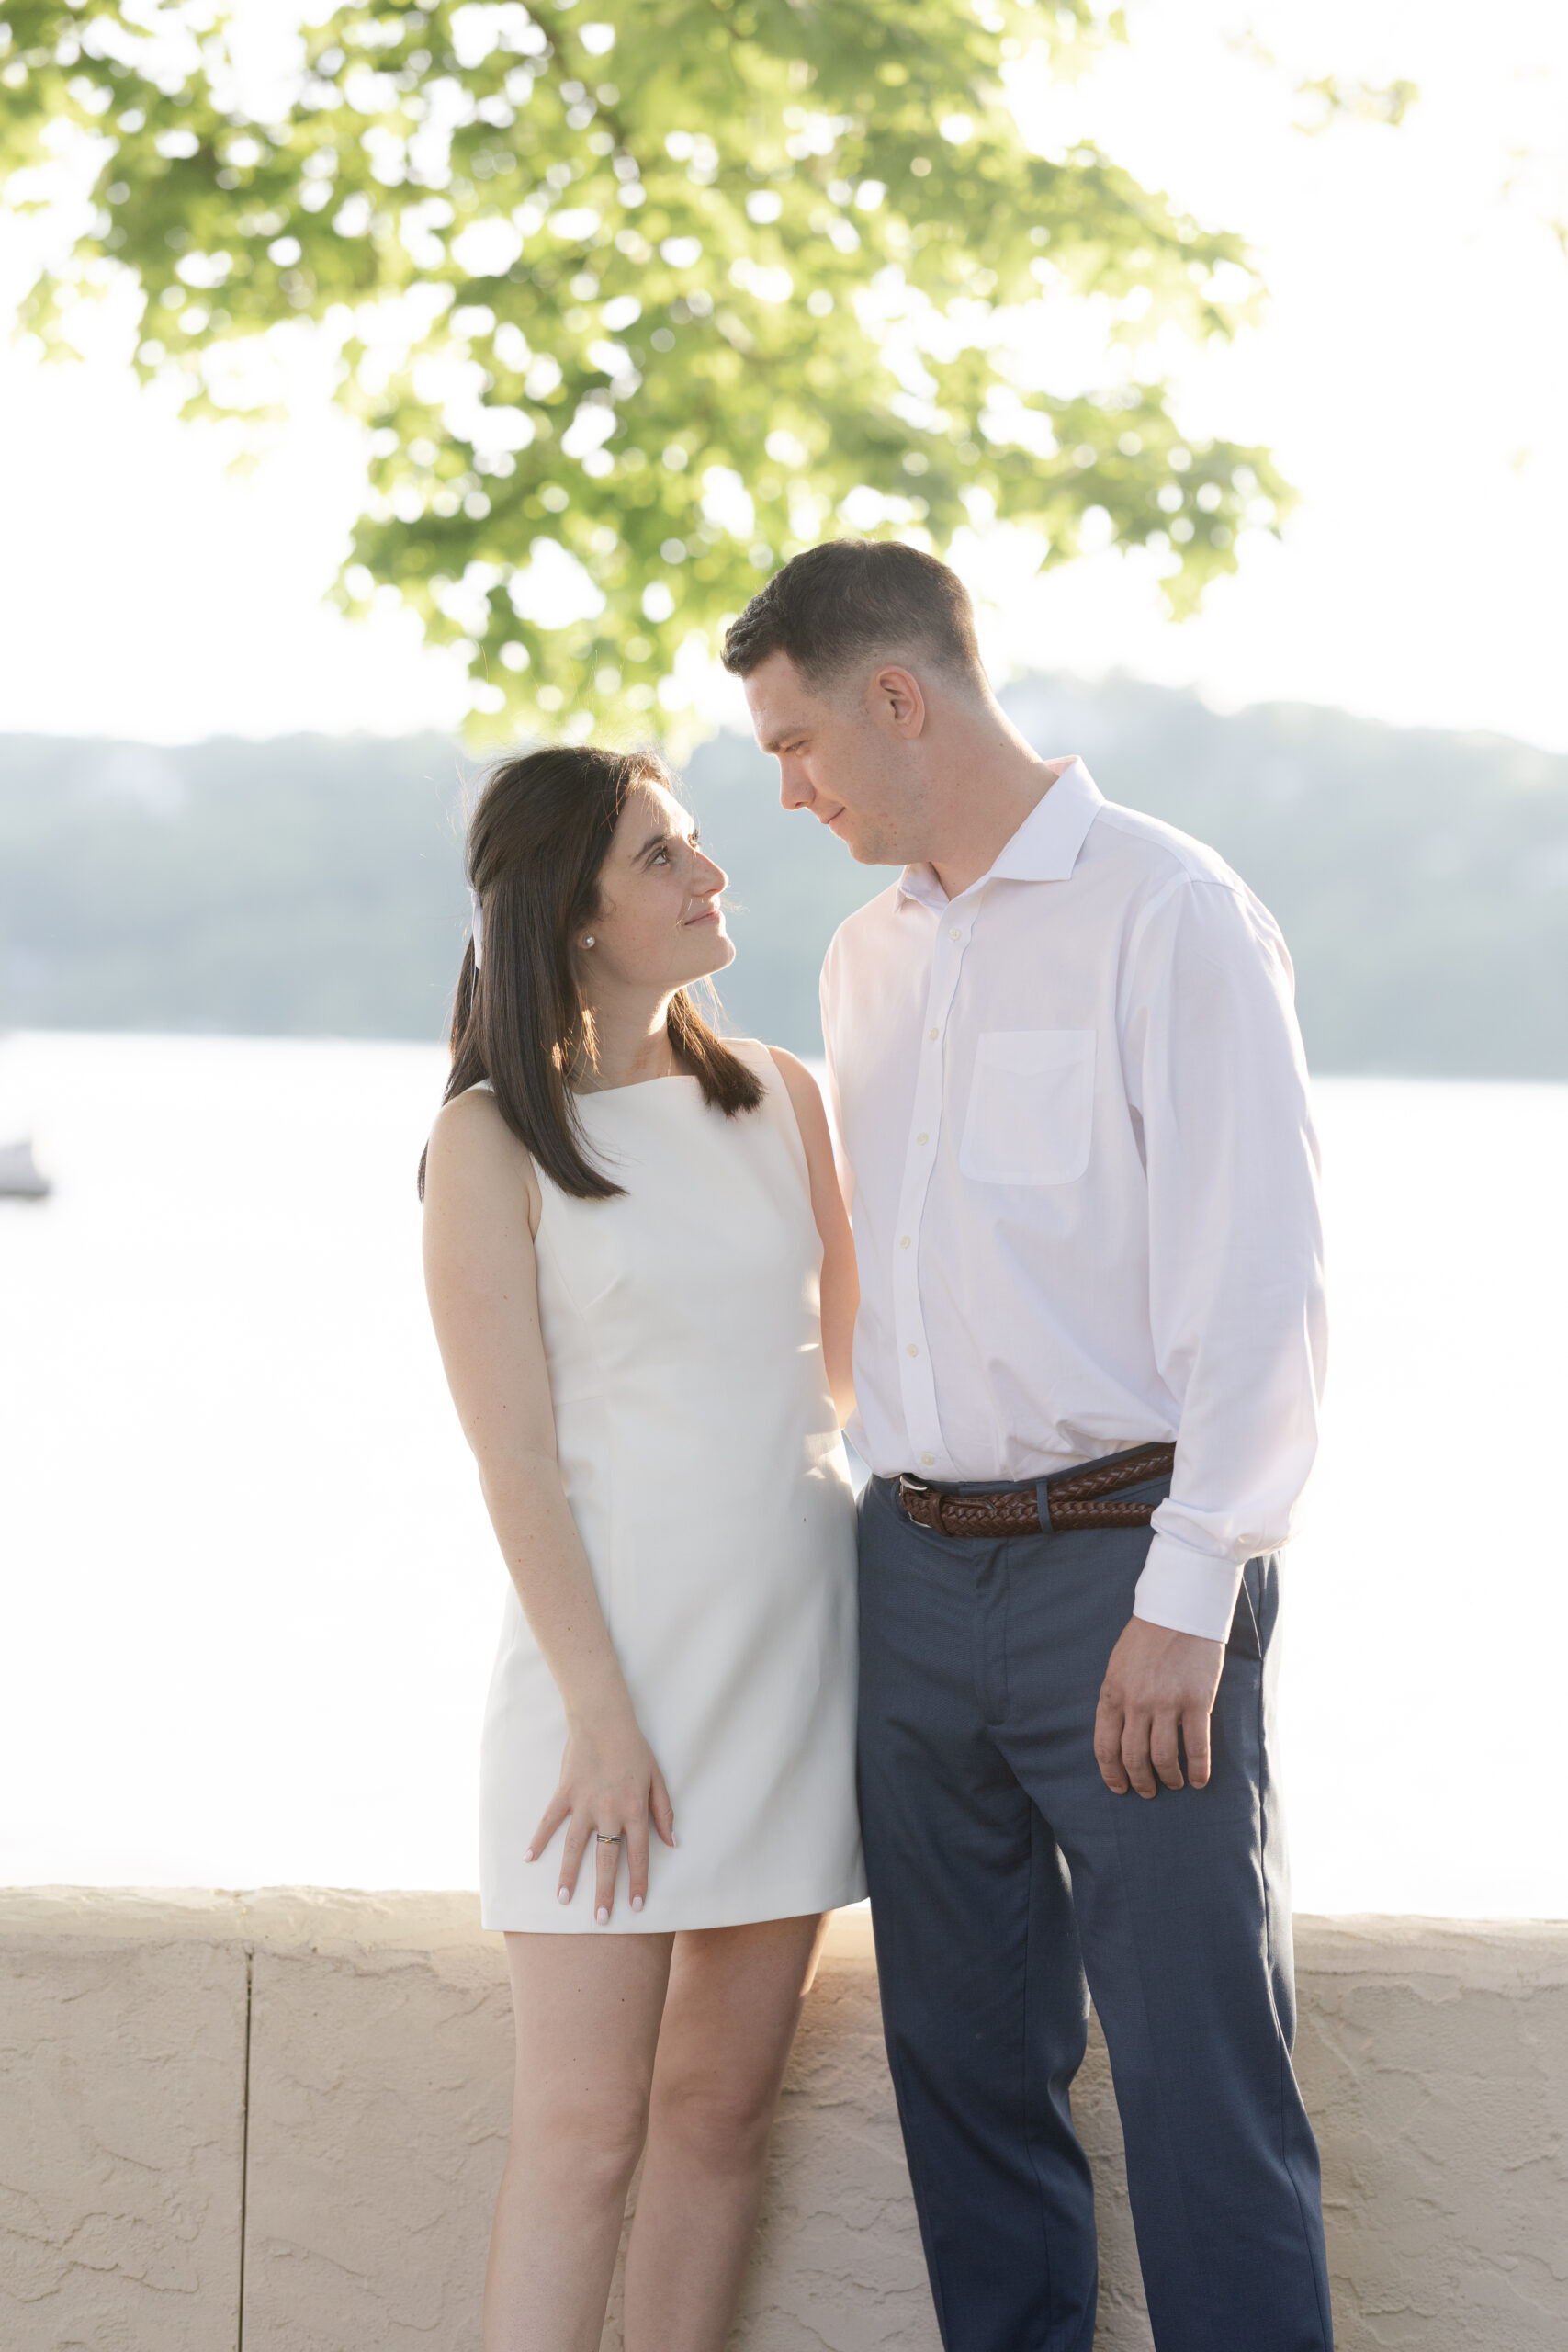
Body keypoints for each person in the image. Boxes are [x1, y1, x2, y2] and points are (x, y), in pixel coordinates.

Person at [724, 539, 1333, 2352]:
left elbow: (1260, 1273)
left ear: (894, 696)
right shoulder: (862, 958)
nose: (787, 787)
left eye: (795, 740)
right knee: (963, 2082)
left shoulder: (1169, 910)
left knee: (1197, 2086)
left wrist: (1192, 1579)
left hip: (1121, 1571)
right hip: (908, 1579)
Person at [419, 743, 864, 2352]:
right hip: (596, 1688)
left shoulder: (787, 1098)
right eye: (664, 856)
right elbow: (513, 1455)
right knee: (585, 2130)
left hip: (790, 1662)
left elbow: (848, 1384)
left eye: (697, 843)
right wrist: (602, 1719)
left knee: (718, 2113)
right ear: (576, 913)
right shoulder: (488, 1144)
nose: (709, 873)